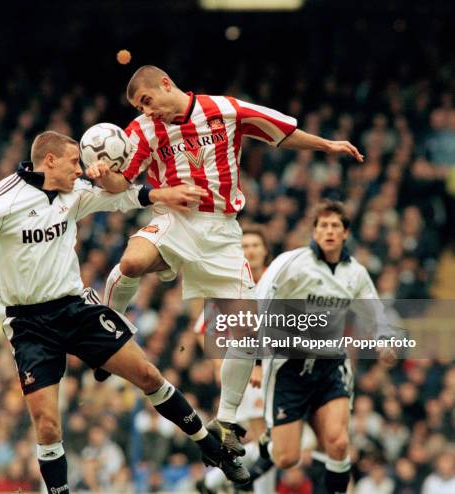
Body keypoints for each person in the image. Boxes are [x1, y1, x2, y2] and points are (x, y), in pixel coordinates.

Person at [0, 130, 251, 493]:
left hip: (75, 308)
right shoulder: (2, 202)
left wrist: (160, 194)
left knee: (147, 374)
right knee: (48, 426)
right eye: (73, 163)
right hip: (29, 323)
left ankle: (211, 447)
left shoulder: (72, 194)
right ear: (49, 161)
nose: (79, 171)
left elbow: (119, 199)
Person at [85, 64, 364, 453]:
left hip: (222, 234)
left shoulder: (223, 110)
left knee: (246, 331)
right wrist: (102, 173)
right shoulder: (142, 130)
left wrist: (328, 146)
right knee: (130, 263)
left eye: (147, 101)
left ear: (166, 84)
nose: (147, 112)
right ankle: (104, 336)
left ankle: (227, 420)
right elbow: (122, 184)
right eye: (139, 107)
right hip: (175, 221)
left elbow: (280, 133)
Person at [243, 200, 392, 494]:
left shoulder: (356, 273)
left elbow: (374, 313)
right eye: (323, 225)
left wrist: (385, 342)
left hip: (330, 366)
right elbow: (259, 307)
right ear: (314, 231)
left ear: (345, 233)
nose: (329, 231)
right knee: (288, 458)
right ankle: (264, 449)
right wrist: (258, 362)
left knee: (338, 442)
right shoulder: (291, 264)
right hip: (290, 367)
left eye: (336, 225)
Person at [195, 226, 276, 494]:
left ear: (265, 250)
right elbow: (203, 329)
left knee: (275, 440)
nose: (250, 250)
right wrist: (220, 367)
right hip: (247, 375)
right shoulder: (231, 283)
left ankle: (213, 483)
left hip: (276, 372)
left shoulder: (277, 282)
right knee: (263, 435)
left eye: (255, 245)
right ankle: (235, 485)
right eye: (245, 245)